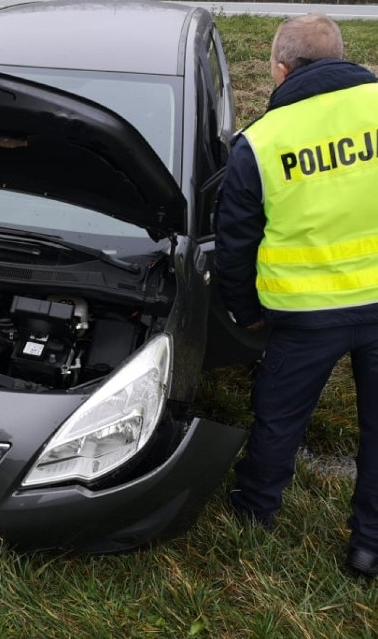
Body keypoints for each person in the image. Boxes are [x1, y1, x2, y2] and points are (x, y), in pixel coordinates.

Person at [214, 14, 378, 578]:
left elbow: (235, 244)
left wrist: (242, 310)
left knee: (280, 419)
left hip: (305, 315)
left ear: (281, 69)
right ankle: (369, 547)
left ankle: (255, 515)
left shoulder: (261, 143)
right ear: (342, 54)